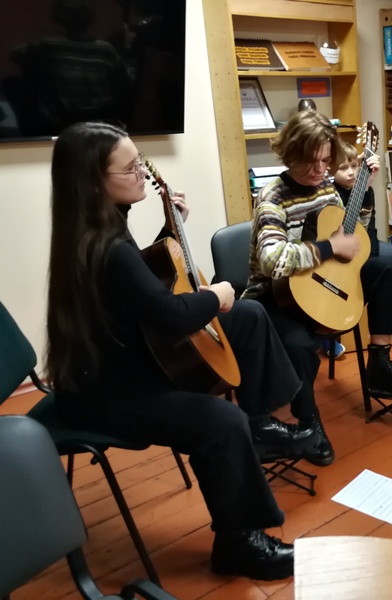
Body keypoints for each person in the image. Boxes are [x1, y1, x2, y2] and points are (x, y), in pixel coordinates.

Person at [46, 121, 310, 581]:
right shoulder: (103, 246)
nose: (142, 174)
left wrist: (171, 228)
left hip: (126, 359)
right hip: (105, 393)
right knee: (220, 422)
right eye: (130, 168)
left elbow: (140, 281)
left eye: (139, 163)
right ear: (93, 182)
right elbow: (169, 314)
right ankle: (238, 544)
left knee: (248, 316)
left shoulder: (98, 224)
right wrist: (218, 293)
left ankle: (261, 425)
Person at [242, 110, 392, 466]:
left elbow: (352, 236)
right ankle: (308, 422)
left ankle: (379, 363)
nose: (318, 170)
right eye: (310, 162)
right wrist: (328, 248)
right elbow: (272, 260)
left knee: (390, 266)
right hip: (275, 296)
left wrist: (365, 191)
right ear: (289, 154)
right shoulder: (272, 197)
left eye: (325, 161)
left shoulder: (327, 187)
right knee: (299, 344)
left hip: (320, 283)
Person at [332, 140, 392, 342]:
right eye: (343, 168)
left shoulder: (365, 188)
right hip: (339, 248)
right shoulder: (329, 193)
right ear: (330, 169)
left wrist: (365, 187)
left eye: (354, 166)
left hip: (367, 243)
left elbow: (368, 229)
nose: (351, 173)